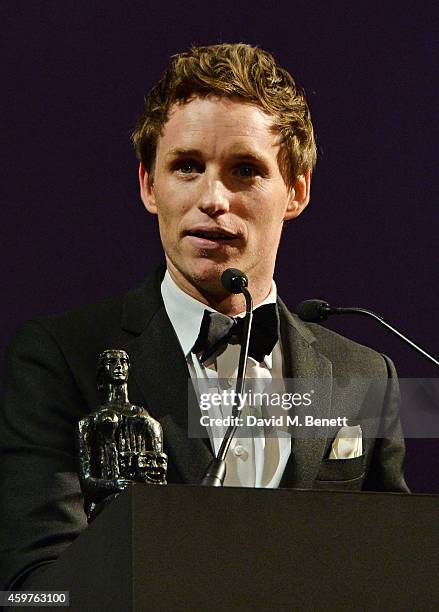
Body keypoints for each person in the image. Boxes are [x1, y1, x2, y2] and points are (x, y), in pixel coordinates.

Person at [0, 43, 409, 591]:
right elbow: (36, 588)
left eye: (244, 170)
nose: (213, 198)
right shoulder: (58, 359)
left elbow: (397, 572)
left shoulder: (366, 376)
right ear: (150, 185)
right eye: (187, 166)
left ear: (297, 191)